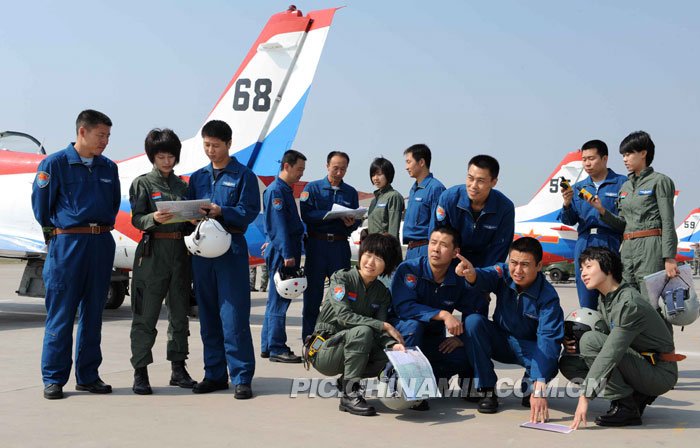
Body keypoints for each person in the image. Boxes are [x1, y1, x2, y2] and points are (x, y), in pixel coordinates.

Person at [31, 109, 120, 400]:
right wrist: (61, 236)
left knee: (94, 314)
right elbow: (42, 210)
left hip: (101, 244)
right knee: (61, 314)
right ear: (82, 132)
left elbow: (113, 204)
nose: (105, 141)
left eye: (108, 135)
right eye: (100, 135)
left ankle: (88, 376)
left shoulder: (109, 167)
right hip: (68, 245)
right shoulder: (54, 164)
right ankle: (54, 379)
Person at [560, 247, 679, 428]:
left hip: (659, 372)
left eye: (588, 267)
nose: (583, 273)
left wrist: (585, 396)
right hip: (641, 364)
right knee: (570, 362)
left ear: (607, 269)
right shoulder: (606, 298)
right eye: (582, 268)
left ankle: (625, 406)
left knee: (590, 341)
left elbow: (611, 351)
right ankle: (633, 396)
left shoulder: (628, 303)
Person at [187, 120, 260, 399]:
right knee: (207, 315)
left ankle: (241, 376)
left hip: (231, 250)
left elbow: (248, 210)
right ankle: (214, 374)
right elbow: (190, 207)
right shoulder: (197, 177)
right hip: (203, 254)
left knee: (233, 316)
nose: (211, 150)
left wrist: (222, 211)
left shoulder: (243, 176)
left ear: (229, 144)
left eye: (216, 145)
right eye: (206, 145)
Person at [456, 237, 564, 420]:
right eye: (513, 262)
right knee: (473, 322)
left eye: (525, 264)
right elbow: (487, 276)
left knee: (550, 362)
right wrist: (472, 274)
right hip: (501, 340)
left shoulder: (548, 298)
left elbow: (548, 340)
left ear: (539, 266)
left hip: (530, 348)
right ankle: (487, 389)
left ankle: (528, 387)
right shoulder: (504, 273)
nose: (517, 270)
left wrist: (539, 386)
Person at [128, 128, 196, 395]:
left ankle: (178, 368)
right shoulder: (143, 183)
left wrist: (193, 220)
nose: (167, 161)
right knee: (146, 315)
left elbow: (190, 225)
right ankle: (140, 371)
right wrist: (153, 219)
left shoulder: (183, 186)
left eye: (171, 156)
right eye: (161, 156)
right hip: (152, 253)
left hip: (179, 252)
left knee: (180, 313)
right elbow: (137, 219)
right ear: (152, 158)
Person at [307, 233, 405, 416]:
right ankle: (349, 394)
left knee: (388, 354)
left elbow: (381, 333)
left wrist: (394, 345)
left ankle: (346, 380)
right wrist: (384, 325)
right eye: (368, 254)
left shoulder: (382, 293)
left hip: (349, 346)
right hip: (324, 349)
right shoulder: (341, 279)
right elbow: (344, 316)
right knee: (363, 331)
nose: (370, 262)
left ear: (387, 265)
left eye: (379, 258)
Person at [390, 226, 486, 399]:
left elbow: (477, 309)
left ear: (455, 252)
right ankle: (400, 383)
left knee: (465, 353)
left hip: (432, 340)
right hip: (403, 336)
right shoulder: (409, 269)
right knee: (414, 326)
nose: (435, 249)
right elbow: (404, 307)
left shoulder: (457, 277)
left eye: (443, 245)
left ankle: (440, 380)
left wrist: (462, 339)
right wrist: (443, 314)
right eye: (433, 243)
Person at [590, 131, 679, 300]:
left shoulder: (660, 181)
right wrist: (602, 210)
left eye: (629, 154)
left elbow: (667, 221)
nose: (625, 159)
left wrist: (669, 257)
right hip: (628, 250)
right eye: (623, 155)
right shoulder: (625, 188)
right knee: (630, 302)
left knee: (652, 305)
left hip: (651, 249)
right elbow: (623, 224)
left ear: (644, 153)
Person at [557, 140, 626, 308]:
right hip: (585, 242)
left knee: (612, 297)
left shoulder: (622, 184)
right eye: (584, 159)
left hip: (610, 242)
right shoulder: (579, 187)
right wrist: (566, 203)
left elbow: (625, 221)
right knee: (586, 297)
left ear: (604, 159)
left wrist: (602, 210)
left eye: (592, 158)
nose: (587, 163)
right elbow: (569, 220)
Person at [300, 151, 361, 339]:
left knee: (340, 294)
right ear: (327, 166)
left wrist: (353, 223)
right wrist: (327, 215)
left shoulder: (350, 192)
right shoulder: (313, 188)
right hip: (317, 246)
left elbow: (356, 217)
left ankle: (336, 337)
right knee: (313, 295)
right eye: (336, 168)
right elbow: (307, 215)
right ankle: (308, 339)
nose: (339, 172)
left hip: (339, 247)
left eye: (343, 169)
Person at [260, 149, 307, 363]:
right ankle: (277, 347)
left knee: (273, 301)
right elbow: (279, 226)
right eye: (299, 169)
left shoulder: (284, 190)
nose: (301, 174)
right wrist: (288, 254)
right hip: (284, 252)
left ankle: (267, 345)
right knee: (280, 301)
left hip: (283, 248)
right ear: (286, 166)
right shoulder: (277, 191)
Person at [430, 154, 514, 268]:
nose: (473, 185)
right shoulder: (448, 199)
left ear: (494, 182)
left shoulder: (505, 208)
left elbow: (499, 249)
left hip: (482, 267)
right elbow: (436, 237)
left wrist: (480, 277)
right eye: (470, 178)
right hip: (449, 265)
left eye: (480, 181)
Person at [402, 144, 445, 259]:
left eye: (409, 162)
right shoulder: (414, 189)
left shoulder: (435, 188)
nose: (406, 167)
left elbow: (438, 225)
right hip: (411, 250)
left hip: (425, 251)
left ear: (421, 162)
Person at [367, 157, 404, 240]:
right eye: (373, 175)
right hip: (373, 246)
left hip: (385, 247)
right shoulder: (374, 201)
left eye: (379, 174)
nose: (375, 178)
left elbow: (393, 229)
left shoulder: (393, 196)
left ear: (388, 175)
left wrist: (391, 248)